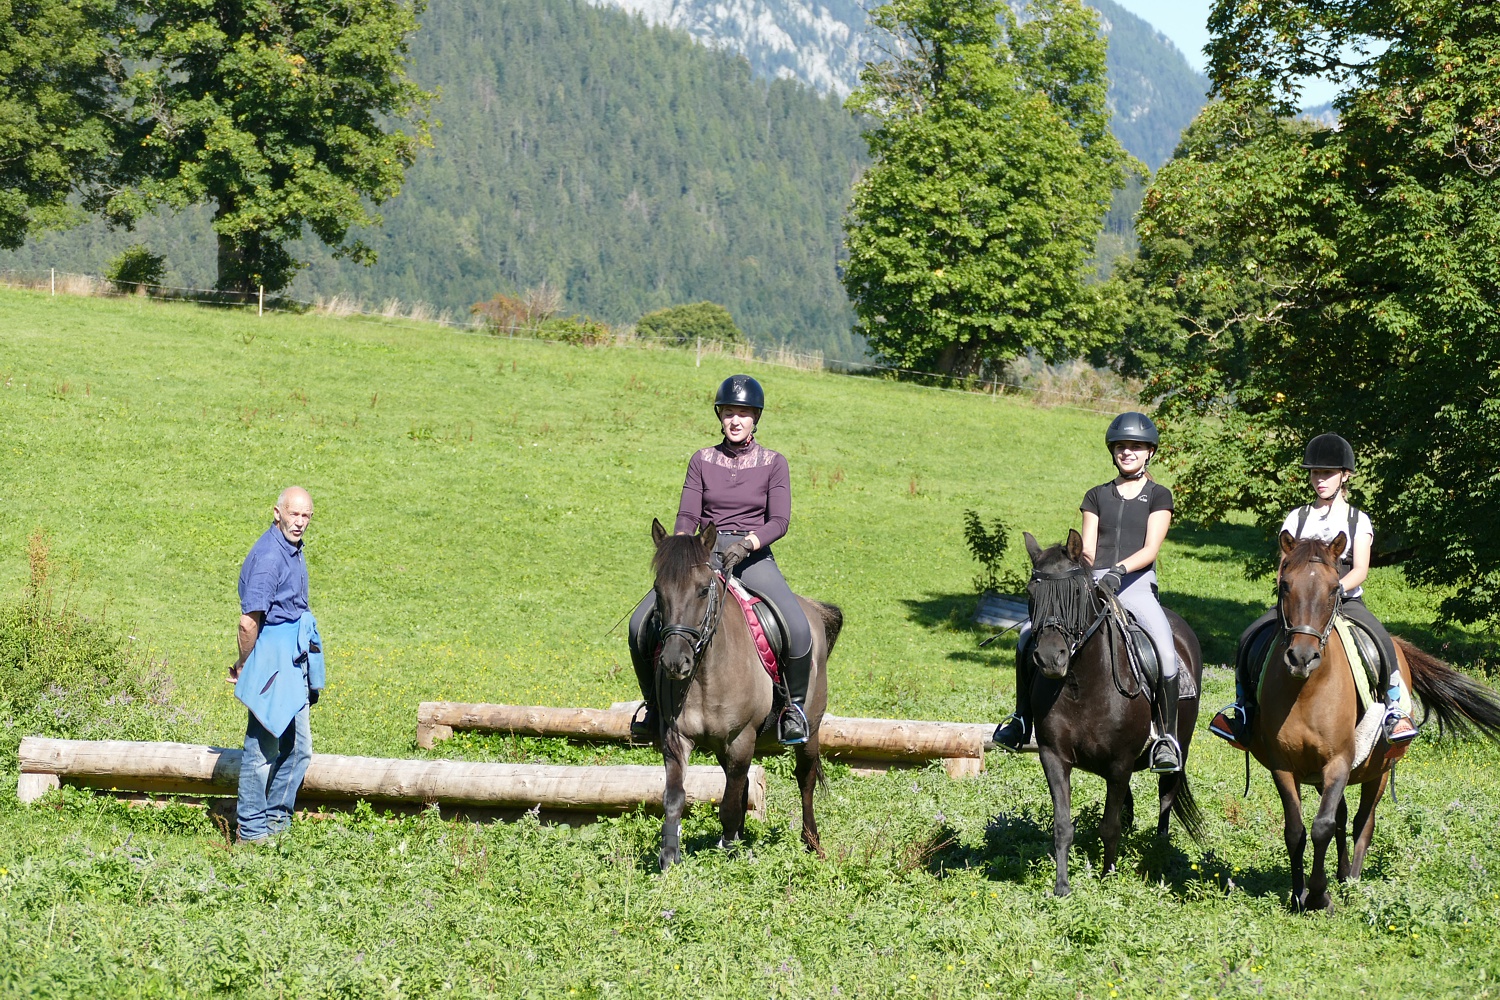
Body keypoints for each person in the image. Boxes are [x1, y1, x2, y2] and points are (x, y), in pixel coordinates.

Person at [628, 374, 814, 745]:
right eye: (729, 413)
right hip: (703, 553)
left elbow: (779, 520)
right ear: (720, 416)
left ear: (755, 418)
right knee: (638, 624)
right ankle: (653, 706)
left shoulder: (774, 463)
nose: (735, 420)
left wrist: (747, 544)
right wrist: (684, 548)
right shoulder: (702, 460)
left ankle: (792, 709)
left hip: (752, 556)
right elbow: (687, 515)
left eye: (743, 414)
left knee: (798, 628)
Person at [995, 411, 1185, 773]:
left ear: (1149, 452)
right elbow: (1088, 550)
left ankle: (1166, 739)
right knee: (1026, 635)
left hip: (1136, 584)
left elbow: (1150, 549)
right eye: (1121, 446)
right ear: (1113, 451)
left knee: (1164, 647)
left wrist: (1119, 571)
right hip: (1093, 582)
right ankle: (1021, 720)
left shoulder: (1159, 496)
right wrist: (1081, 577)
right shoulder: (1096, 495)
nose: (1127, 452)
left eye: (1135, 446)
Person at [1208, 433, 1416, 752]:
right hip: (1299, 604)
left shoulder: (1358, 520)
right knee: (1248, 637)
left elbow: (1361, 569)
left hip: (1344, 600)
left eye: (1327, 473)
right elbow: (1284, 566)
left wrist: (1332, 591)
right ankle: (1243, 710)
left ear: (1345, 475)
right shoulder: (1297, 517)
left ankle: (1394, 710)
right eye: (1315, 473)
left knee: (1382, 642)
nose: (1320, 479)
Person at [229, 486, 325, 845]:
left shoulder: (292, 548)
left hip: (293, 660)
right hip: (272, 662)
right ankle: (252, 832)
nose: (299, 522)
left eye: (306, 516)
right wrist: (246, 664)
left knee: (298, 749)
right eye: (293, 514)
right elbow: (247, 623)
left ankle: (276, 824)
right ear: (277, 512)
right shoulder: (270, 557)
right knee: (262, 751)